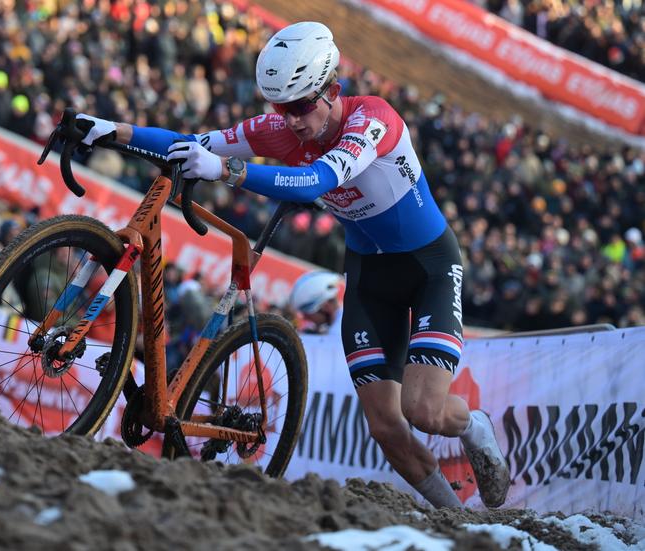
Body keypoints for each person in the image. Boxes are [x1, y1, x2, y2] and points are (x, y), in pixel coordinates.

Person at [74, 21, 510, 509]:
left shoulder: (372, 120)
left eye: (301, 106)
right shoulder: (282, 129)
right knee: (386, 427)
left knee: (423, 410)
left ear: (332, 91)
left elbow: (316, 181)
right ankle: (455, 520)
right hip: (369, 276)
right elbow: (191, 142)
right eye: (281, 108)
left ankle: (474, 426)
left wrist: (229, 171)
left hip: (428, 267)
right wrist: (110, 131)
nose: (292, 120)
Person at [289, 270, 343, 335]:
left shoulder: (338, 333)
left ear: (326, 306)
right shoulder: (342, 327)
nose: (304, 318)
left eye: (307, 315)